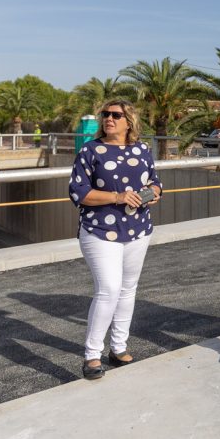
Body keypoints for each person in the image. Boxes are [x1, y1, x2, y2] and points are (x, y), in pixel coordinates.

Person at [68, 99, 161, 380]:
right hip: (99, 230)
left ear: (128, 121)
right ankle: (92, 355)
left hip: (138, 229)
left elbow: (156, 182)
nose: (109, 119)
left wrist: (152, 193)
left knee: (128, 289)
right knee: (108, 288)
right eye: (105, 115)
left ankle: (118, 347)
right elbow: (78, 192)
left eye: (115, 115)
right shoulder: (90, 150)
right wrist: (118, 197)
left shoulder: (142, 149)